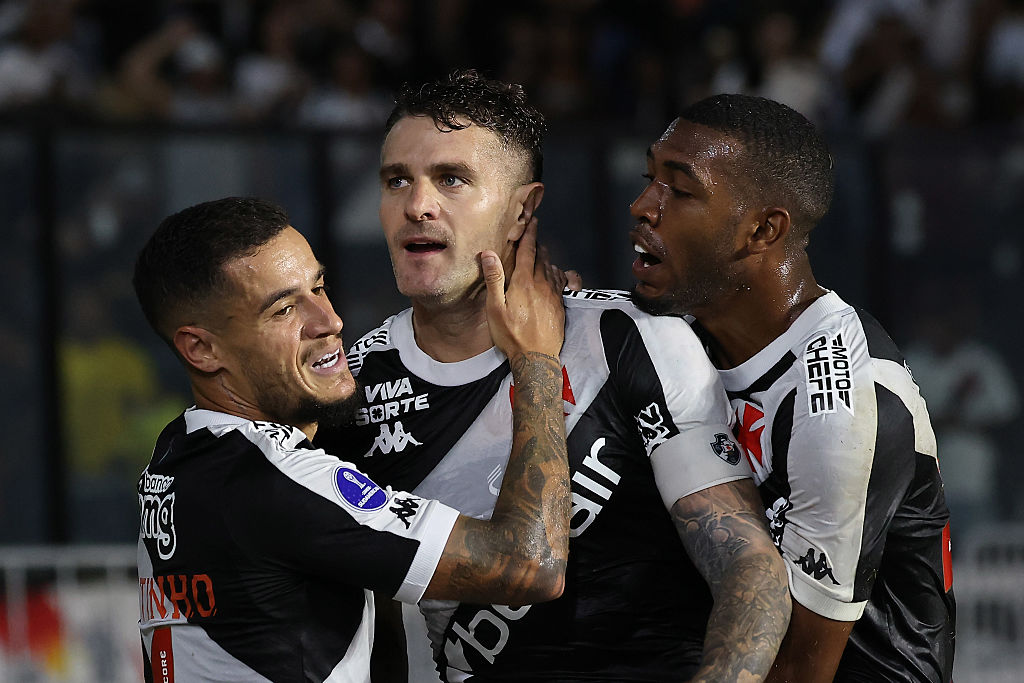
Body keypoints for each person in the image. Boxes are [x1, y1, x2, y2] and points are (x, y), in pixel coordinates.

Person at [319, 69, 790, 682]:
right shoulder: (347, 391)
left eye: (452, 179)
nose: (417, 206)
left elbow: (749, 568)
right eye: (396, 180)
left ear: (523, 208)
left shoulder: (631, 337)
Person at [132, 196, 573, 683]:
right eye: (284, 310)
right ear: (201, 349)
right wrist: (535, 358)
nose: (329, 321)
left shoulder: (179, 452)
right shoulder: (271, 481)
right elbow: (530, 564)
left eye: (319, 287)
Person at [627, 93, 955, 682]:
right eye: (649, 178)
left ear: (762, 229)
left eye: (679, 189)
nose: (643, 206)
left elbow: (796, 670)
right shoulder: (667, 338)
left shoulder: (845, 405)